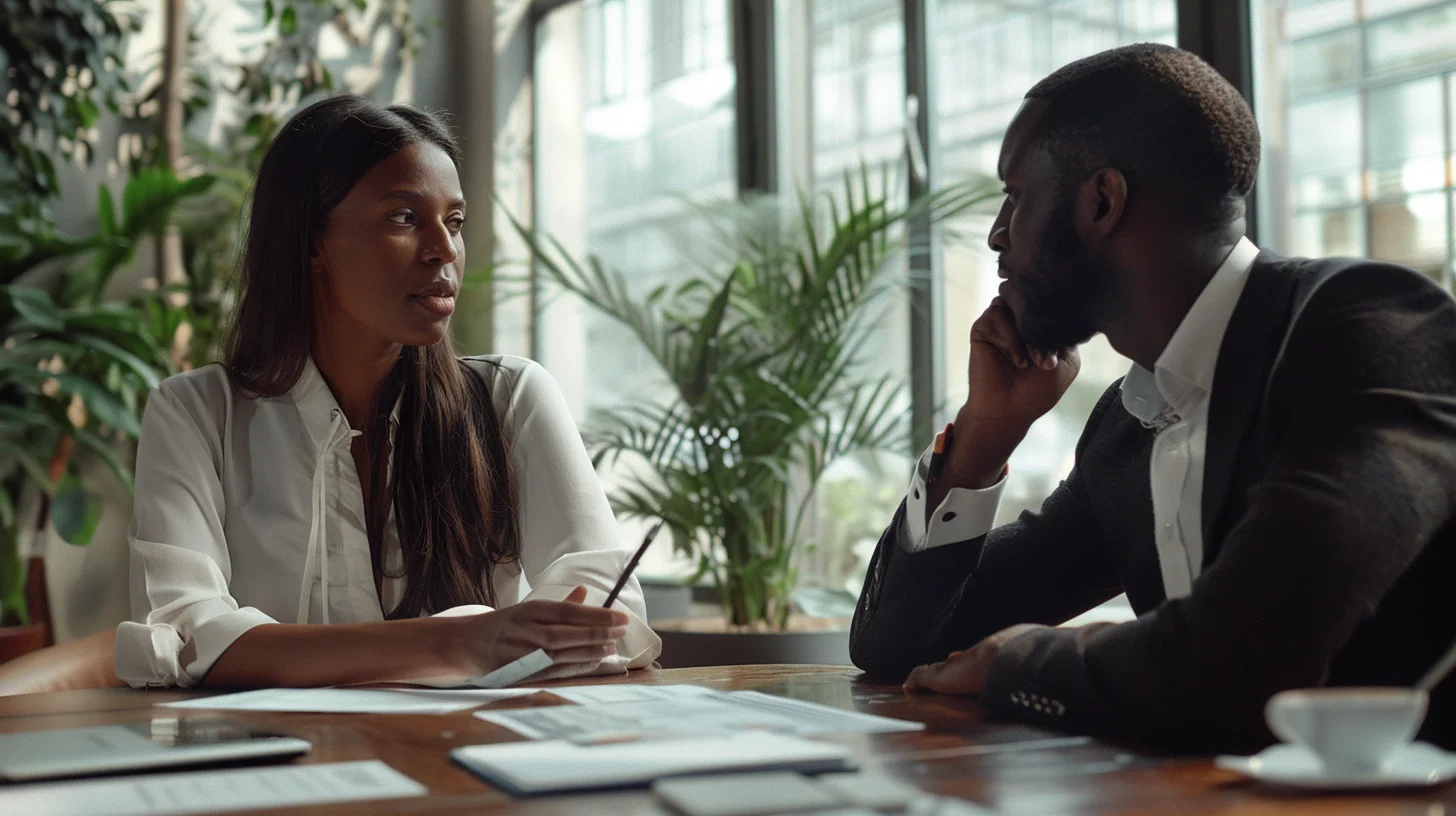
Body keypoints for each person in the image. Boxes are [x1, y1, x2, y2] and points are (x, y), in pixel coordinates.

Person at [850, 44, 1456, 752]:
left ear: (1101, 201)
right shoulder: (1127, 425)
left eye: (1015, 196)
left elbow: (1242, 660)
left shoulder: (1367, 330)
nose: (996, 233)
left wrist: (1023, 658)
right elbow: (900, 649)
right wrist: (986, 437)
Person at [116, 95, 661, 688]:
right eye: (405, 218)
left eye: (454, 221)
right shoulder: (196, 415)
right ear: (312, 242)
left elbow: (617, 621)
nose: (444, 250)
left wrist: (508, 641)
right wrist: (462, 642)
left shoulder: (512, 398)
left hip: (469, 762)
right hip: (277, 768)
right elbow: (182, 640)